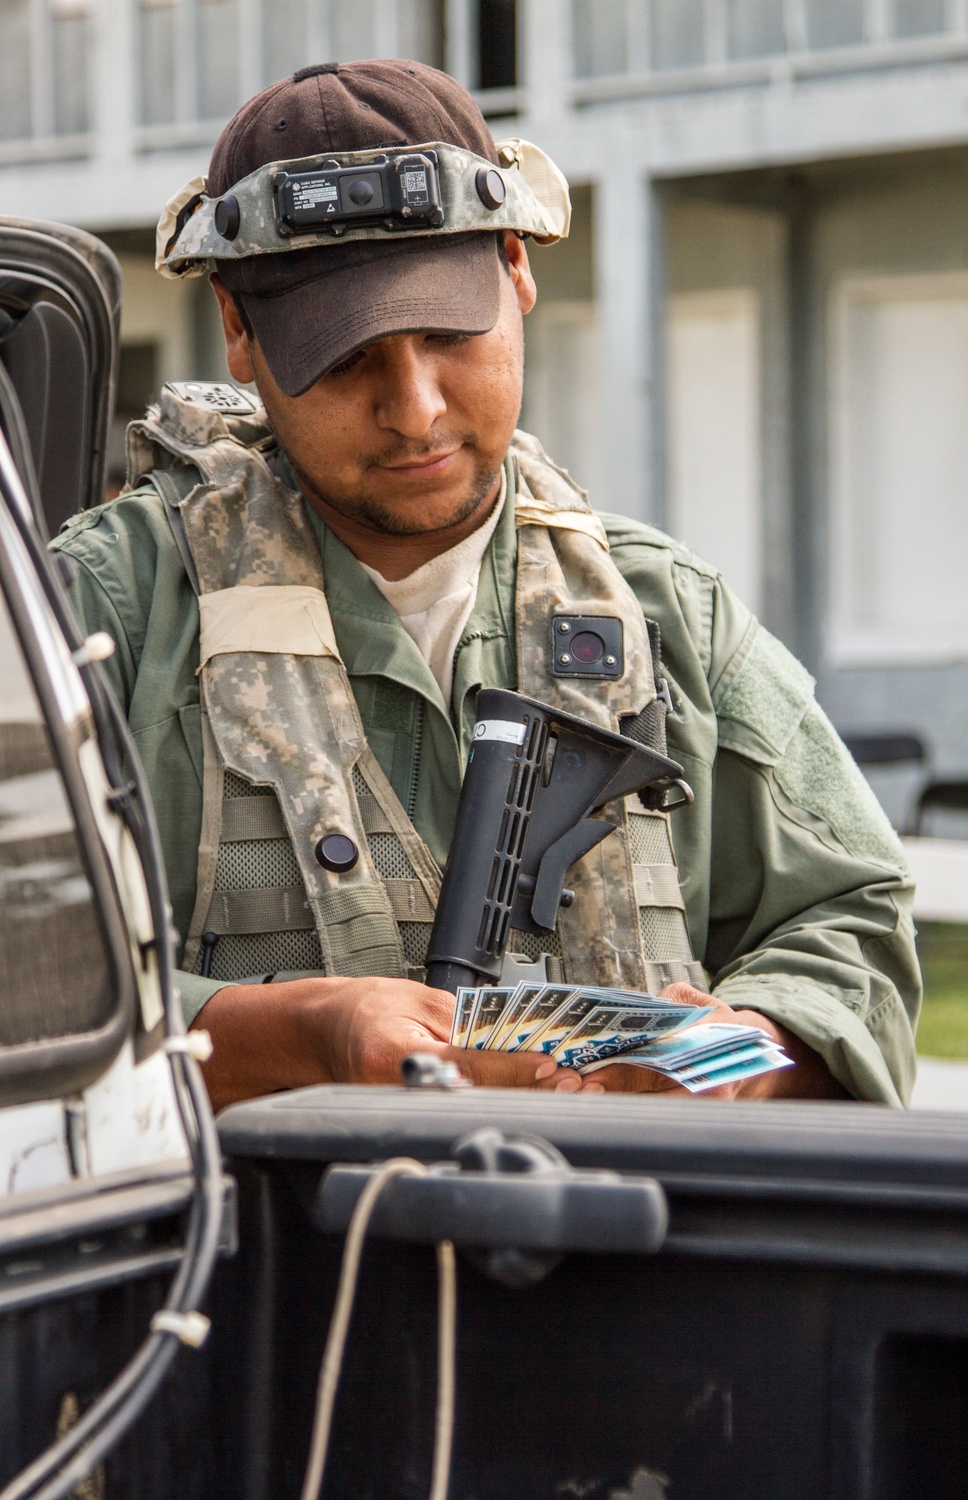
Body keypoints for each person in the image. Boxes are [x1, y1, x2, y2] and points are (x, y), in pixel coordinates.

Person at [56, 61, 919, 1111]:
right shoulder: (102, 615)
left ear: (516, 269)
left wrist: (749, 1056)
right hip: (254, 1269)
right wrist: (284, 1038)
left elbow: (848, 923)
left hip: (615, 1259)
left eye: (448, 336)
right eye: (346, 357)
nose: (414, 409)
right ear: (239, 332)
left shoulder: (658, 612)